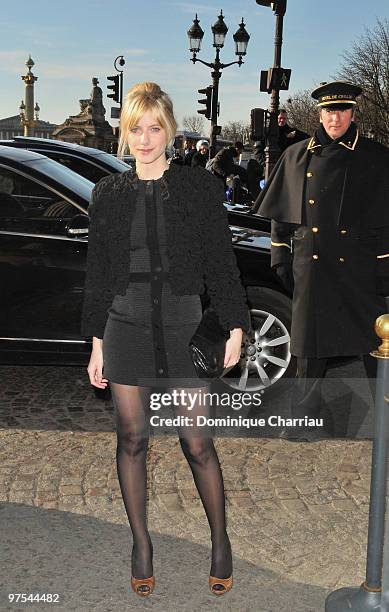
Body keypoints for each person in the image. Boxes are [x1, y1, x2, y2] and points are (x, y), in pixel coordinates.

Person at [81, 82, 249, 596]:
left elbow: (221, 260)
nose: (146, 138)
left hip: (181, 323)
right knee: (131, 439)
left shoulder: (198, 188)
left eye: (155, 128)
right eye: (137, 128)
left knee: (196, 441)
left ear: (170, 130)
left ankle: (220, 540)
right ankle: (141, 542)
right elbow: (99, 271)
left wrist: (236, 325)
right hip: (124, 321)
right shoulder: (108, 193)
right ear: (125, 133)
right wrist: (96, 341)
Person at [255, 81, 389, 440]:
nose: (336, 117)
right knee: (308, 347)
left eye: (343, 110)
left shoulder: (376, 157)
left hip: (359, 269)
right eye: (329, 111)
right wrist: (280, 256)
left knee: (376, 346)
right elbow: (280, 218)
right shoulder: (297, 155)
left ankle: (386, 421)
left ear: (353, 113)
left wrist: (384, 268)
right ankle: (304, 419)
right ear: (319, 114)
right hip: (312, 267)